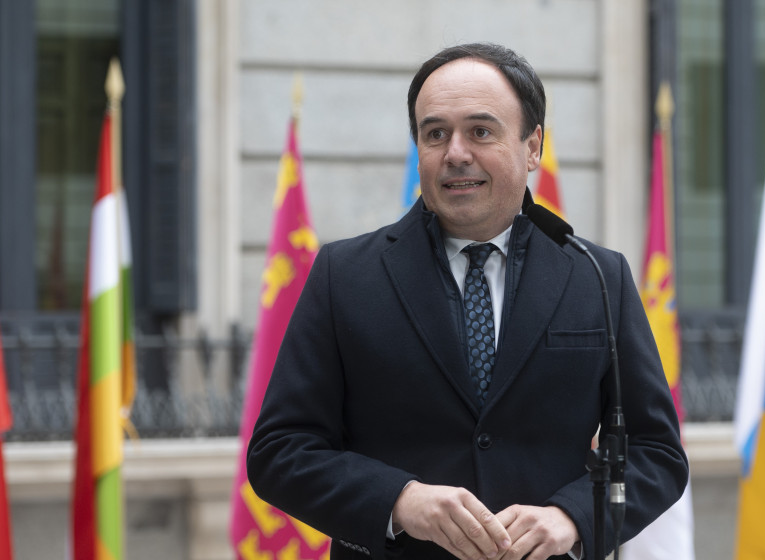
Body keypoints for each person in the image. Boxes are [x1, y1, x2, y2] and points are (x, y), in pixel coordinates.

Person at [247, 42, 688, 560]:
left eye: (480, 131)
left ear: (532, 147)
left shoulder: (597, 275)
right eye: (436, 134)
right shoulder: (344, 276)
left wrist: (573, 516)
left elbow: (656, 453)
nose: (456, 153)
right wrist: (401, 501)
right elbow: (279, 452)